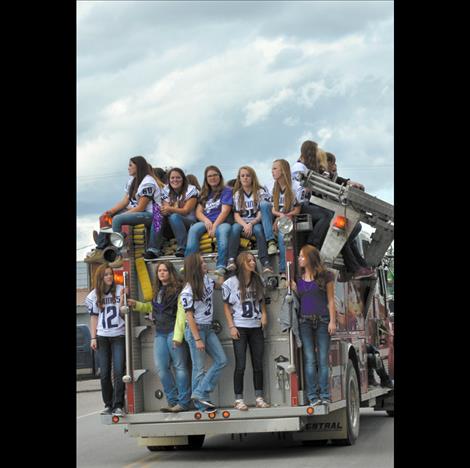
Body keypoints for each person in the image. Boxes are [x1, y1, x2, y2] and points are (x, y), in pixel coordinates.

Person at [127, 261, 191, 412]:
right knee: (161, 368)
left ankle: (183, 403)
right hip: (160, 333)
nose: (161, 273)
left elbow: (182, 315)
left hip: (173, 332)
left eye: (165, 270)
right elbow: (152, 307)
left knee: (180, 367)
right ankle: (172, 401)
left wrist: (178, 336)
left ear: (171, 272)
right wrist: (136, 304)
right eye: (159, 271)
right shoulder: (158, 290)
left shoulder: (178, 290)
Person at [85, 156, 162, 266]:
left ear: (138, 167)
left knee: (117, 219)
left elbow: (141, 207)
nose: (128, 168)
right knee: (105, 217)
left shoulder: (148, 182)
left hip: (152, 215)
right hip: (138, 212)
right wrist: (110, 212)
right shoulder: (132, 181)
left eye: (130, 165)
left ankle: (119, 254)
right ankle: (101, 248)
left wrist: (120, 215)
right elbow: (125, 201)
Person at [222, 252, 271, 410]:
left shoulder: (258, 280)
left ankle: (259, 397)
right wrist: (231, 326)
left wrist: (264, 315)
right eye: (249, 260)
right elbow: (226, 307)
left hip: (256, 326)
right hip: (240, 327)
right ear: (242, 263)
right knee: (240, 364)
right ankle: (239, 399)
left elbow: (262, 301)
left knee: (258, 364)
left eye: (254, 260)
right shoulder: (230, 282)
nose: (253, 263)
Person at [180, 253, 228, 412]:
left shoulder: (207, 280)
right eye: (202, 263)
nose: (205, 265)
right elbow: (189, 316)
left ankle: (200, 393)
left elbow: (220, 286)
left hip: (208, 328)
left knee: (221, 360)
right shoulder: (187, 290)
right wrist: (197, 339)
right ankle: (201, 404)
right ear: (194, 268)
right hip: (196, 329)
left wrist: (223, 271)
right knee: (198, 368)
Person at [291, 244, 336, 406]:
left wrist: (333, 321)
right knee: (310, 360)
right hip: (305, 322)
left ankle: (324, 395)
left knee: (323, 360)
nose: (299, 259)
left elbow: (331, 300)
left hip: (323, 320)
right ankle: (313, 396)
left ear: (310, 258)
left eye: (302, 256)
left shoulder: (326, 276)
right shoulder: (298, 279)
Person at [325, 152, 375, 279]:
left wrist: (348, 181)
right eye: (332, 164)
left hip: (333, 215)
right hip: (329, 215)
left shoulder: (331, 176)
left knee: (348, 238)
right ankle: (356, 268)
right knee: (344, 238)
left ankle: (361, 267)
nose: (334, 166)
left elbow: (339, 180)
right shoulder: (324, 176)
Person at [86, 264, 126, 416]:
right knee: (104, 373)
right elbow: (94, 317)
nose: (109, 277)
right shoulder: (94, 295)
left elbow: (124, 311)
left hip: (118, 335)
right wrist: (93, 337)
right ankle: (108, 404)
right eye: (106, 275)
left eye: (110, 274)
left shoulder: (120, 289)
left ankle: (118, 405)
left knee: (118, 371)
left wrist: (123, 297)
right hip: (102, 336)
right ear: (100, 278)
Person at [185, 166, 233, 277]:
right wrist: (206, 221)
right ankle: (190, 264)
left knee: (223, 232)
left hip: (222, 221)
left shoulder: (227, 190)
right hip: (207, 221)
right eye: (209, 176)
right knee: (193, 230)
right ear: (206, 179)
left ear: (220, 176)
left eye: (215, 175)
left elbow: (225, 211)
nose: (213, 178)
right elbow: (198, 212)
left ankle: (221, 266)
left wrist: (215, 225)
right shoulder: (204, 193)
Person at [261, 159, 302, 285]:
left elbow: (297, 209)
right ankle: (270, 241)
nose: (272, 171)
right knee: (263, 205)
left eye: (275, 168)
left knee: (283, 235)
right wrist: (279, 216)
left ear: (283, 170)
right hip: (279, 218)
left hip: (289, 220)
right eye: (272, 169)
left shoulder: (295, 186)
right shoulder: (272, 187)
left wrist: (283, 217)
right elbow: (273, 209)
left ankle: (284, 272)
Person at [145, 168, 199, 259]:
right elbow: (165, 208)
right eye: (172, 178)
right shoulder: (166, 190)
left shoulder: (191, 189)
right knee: (158, 215)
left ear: (183, 179)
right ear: (169, 180)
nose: (175, 180)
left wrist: (170, 209)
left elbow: (186, 210)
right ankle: (153, 249)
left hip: (189, 222)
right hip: (171, 223)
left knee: (174, 216)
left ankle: (182, 247)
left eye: (178, 177)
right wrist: (164, 210)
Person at [227, 166, 272, 274]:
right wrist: (245, 225)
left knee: (259, 231)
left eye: (248, 175)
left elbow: (261, 213)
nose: (245, 178)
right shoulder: (237, 194)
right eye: (242, 176)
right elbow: (236, 215)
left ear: (253, 177)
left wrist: (251, 223)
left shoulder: (260, 192)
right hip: (242, 222)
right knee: (234, 229)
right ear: (239, 178)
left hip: (255, 221)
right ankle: (231, 259)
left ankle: (265, 262)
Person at [290, 140, 333, 250]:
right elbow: (299, 192)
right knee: (326, 215)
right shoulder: (299, 167)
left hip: (304, 204)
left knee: (328, 213)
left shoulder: (304, 168)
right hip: (299, 205)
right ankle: (312, 245)